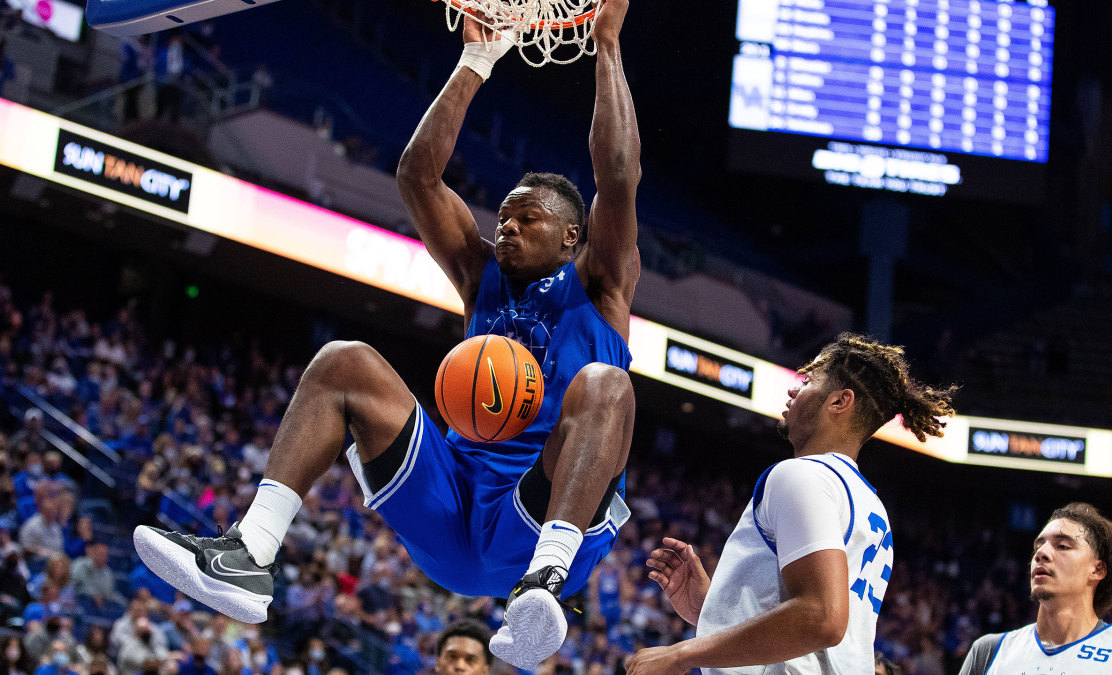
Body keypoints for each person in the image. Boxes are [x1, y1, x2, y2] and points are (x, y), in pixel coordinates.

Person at [133, 0, 640, 669]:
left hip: (542, 519)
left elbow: (619, 177)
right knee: (344, 361)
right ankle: (249, 551)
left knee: (607, 385)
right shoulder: (478, 273)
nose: (507, 225)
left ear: (573, 236)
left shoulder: (601, 282)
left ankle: (542, 584)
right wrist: (475, 61)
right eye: (504, 215)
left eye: (528, 217)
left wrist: (606, 45)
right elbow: (416, 176)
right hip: (453, 509)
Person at [628, 333, 956, 674]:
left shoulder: (803, 476)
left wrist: (681, 654)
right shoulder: (870, 505)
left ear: (840, 401)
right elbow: (813, 644)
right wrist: (714, 611)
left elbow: (823, 619)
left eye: (808, 380)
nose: (792, 389)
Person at [959, 502, 1111, 674]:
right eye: (1038, 546)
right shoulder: (989, 651)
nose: (1041, 553)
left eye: (1062, 546)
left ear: (1097, 570)